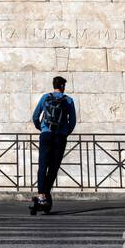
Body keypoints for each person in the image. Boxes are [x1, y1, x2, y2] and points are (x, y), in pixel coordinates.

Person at [30, 76, 76, 212]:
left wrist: (42, 128)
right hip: (60, 137)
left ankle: (41, 195)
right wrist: (65, 132)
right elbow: (72, 122)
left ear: (53, 85)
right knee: (54, 167)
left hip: (46, 135)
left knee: (43, 165)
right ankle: (46, 193)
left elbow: (35, 116)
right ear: (62, 86)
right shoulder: (68, 100)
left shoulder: (45, 97)